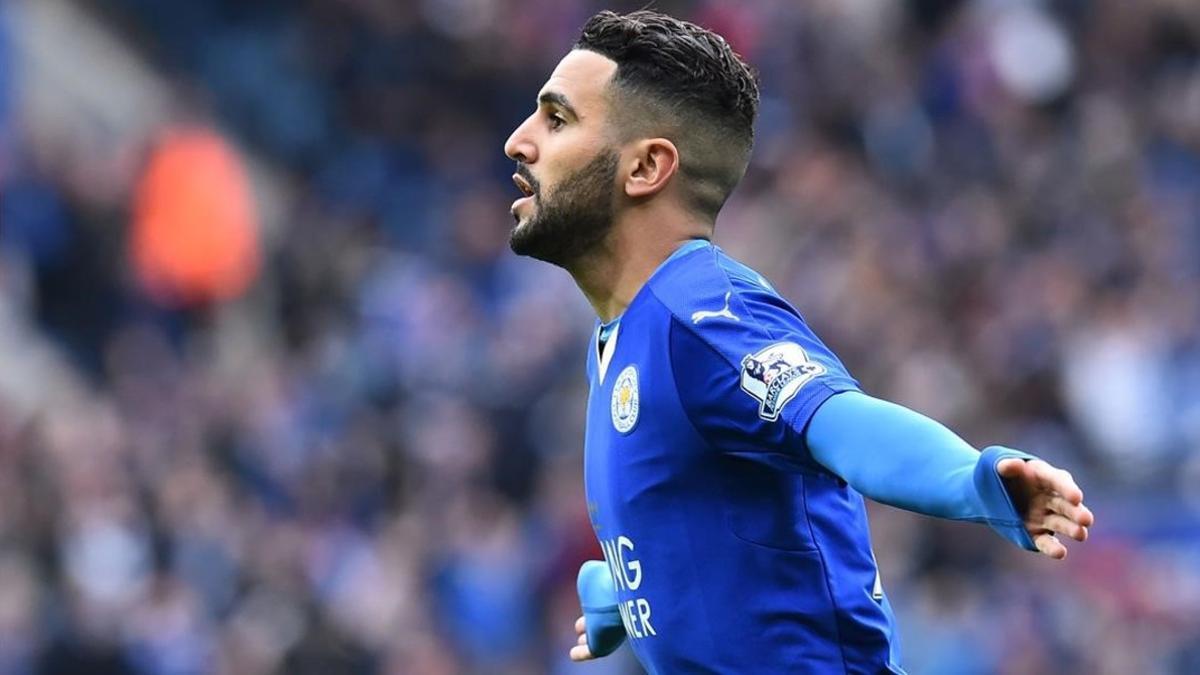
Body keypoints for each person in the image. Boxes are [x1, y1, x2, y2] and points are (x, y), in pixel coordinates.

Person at [503, 10, 1094, 674]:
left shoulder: (699, 311)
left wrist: (973, 480)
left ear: (645, 167)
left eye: (557, 120)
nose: (518, 143)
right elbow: (722, 520)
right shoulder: (626, 335)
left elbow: (840, 421)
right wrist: (626, 589)